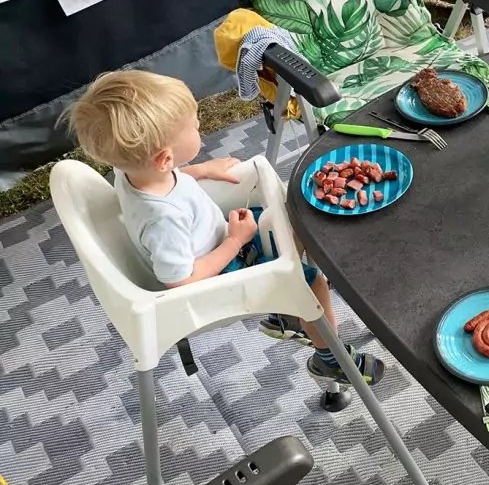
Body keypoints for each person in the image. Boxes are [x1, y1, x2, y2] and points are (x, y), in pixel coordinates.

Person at [62, 70, 384, 385]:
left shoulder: (132, 174)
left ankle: (288, 315)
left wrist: (201, 169)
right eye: (193, 124)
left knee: (292, 219)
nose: (199, 124)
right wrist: (234, 241)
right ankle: (329, 360)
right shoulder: (162, 220)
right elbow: (180, 280)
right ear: (164, 159)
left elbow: (163, 182)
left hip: (220, 239)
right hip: (219, 271)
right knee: (312, 282)